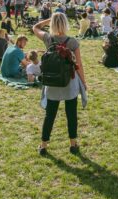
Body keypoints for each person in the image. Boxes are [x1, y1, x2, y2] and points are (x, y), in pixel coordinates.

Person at [33, 13, 87, 156]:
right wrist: (84, 81)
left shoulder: (48, 38)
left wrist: (49, 20)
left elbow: (35, 27)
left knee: (50, 115)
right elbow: (79, 64)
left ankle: (44, 145)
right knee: (71, 114)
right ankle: (73, 144)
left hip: (52, 81)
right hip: (69, 81)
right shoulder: (72, 41)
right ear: (65, 23)